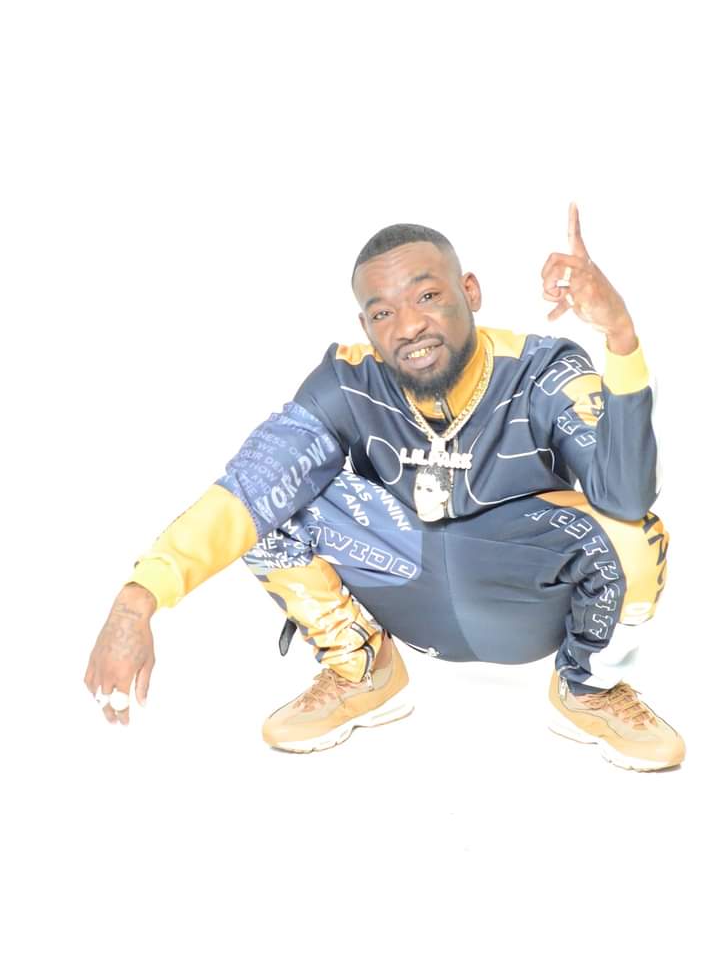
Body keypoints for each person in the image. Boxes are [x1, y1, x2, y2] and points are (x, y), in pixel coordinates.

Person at [84, 205, 684, 772]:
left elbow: (626, 497)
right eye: (383, 313)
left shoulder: (542, 369)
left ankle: (590, 688)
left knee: (635, 536)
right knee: (269, 504)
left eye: (428, 296)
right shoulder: (348, 380)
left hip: (524, 586)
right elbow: (249, 486)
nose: (409, 326)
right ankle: (363, 670)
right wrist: (136, 601)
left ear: (470, 291)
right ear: (365, 326)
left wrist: (620, 337)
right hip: (406, 573)